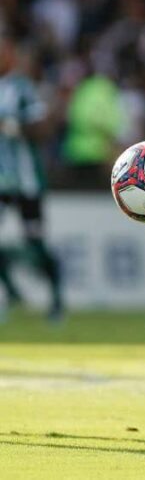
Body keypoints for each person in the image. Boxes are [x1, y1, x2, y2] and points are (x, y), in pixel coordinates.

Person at [0, 35, 63, 321]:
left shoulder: (21, 89)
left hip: (25, 182)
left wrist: (15, 127)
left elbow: (43, 129)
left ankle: (57, 300)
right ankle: (12, 293)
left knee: (36, 243)